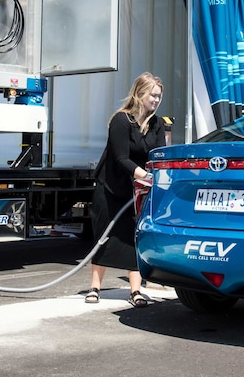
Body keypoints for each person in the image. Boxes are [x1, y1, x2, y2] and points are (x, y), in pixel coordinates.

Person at [85, 72, 166, 308]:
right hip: (110, 187)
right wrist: (146, 177)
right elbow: (121, 158)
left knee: (133, 238)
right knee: (104, 236)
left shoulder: (157, 123)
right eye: (153, 95)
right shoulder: (121, 120)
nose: (156, 100)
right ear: (140, 93)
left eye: (159, 96)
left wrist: (157, 175)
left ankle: (136, 291)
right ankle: (95, 288)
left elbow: (157, 155)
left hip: (135, 193)